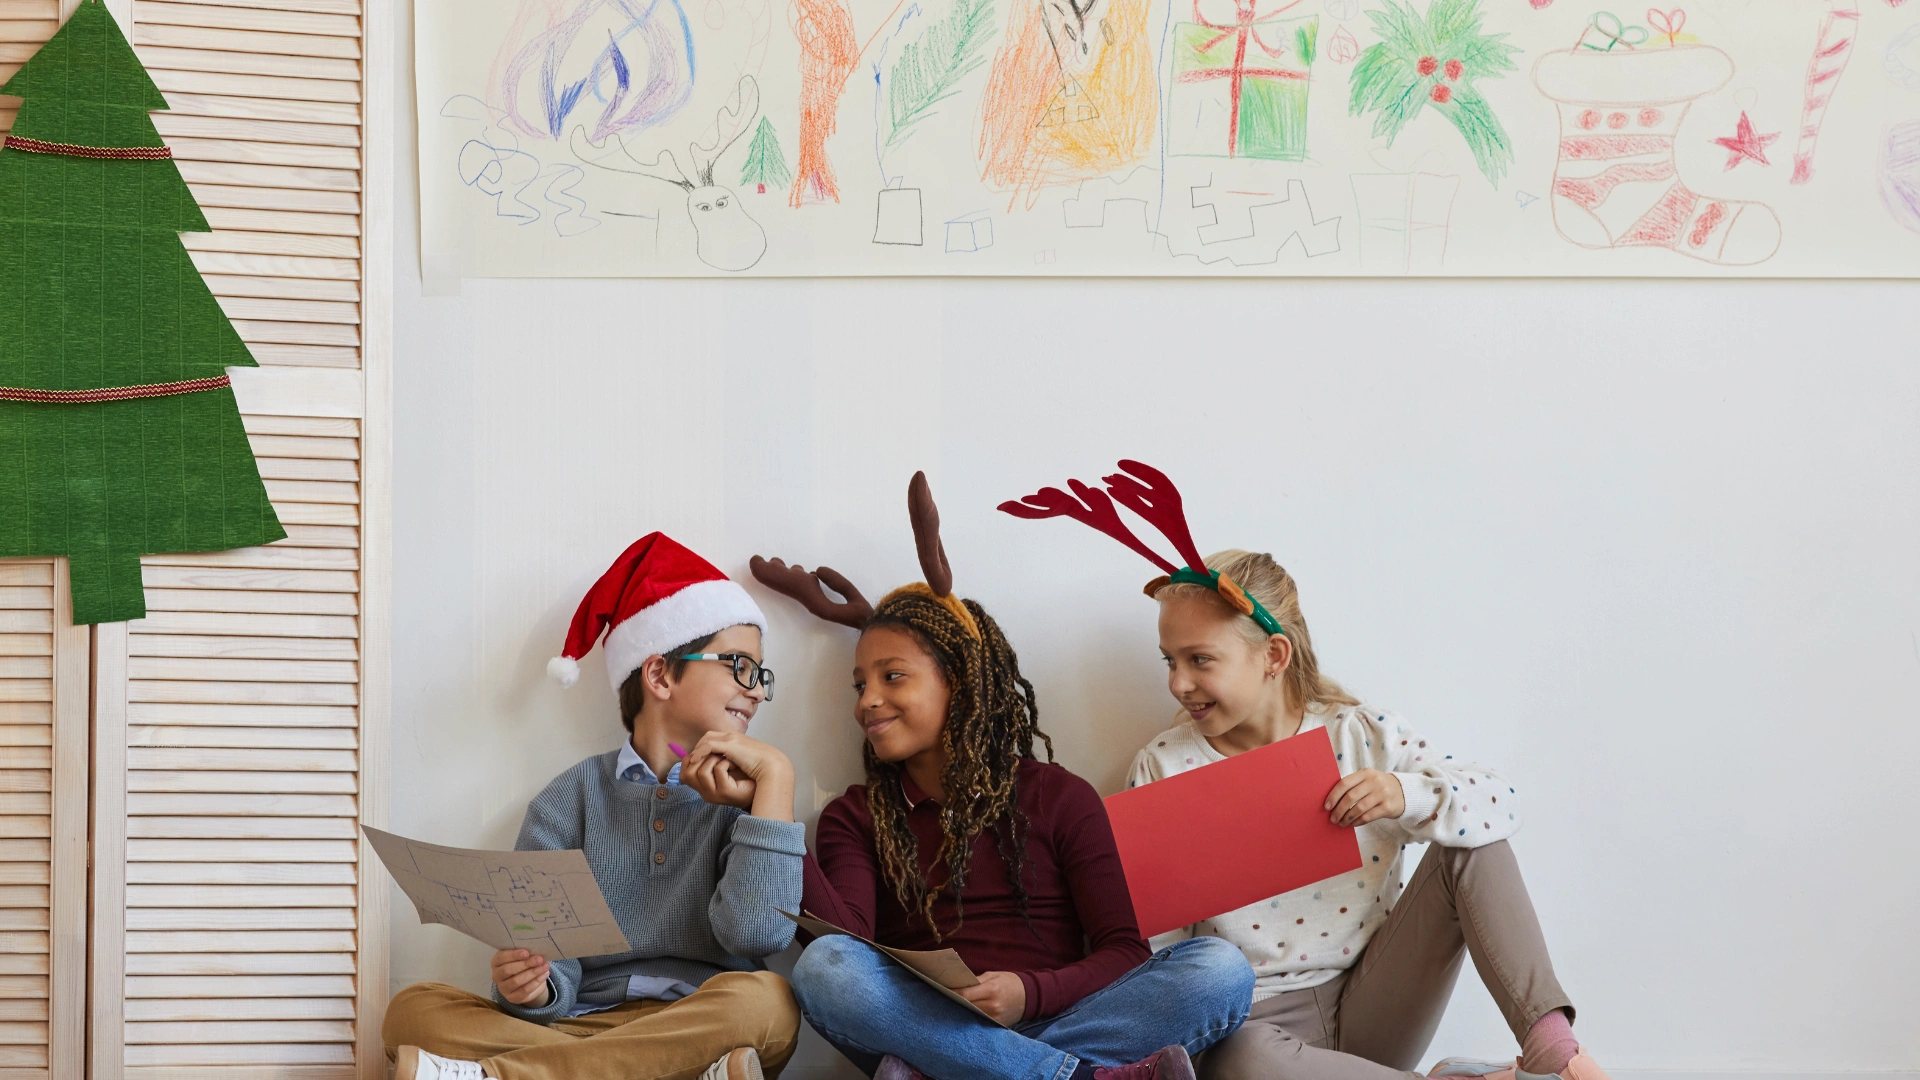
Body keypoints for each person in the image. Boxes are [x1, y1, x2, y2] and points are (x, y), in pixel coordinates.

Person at [1002, 461, 1613, 1080]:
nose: (1178, 683)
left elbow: (1501, 802)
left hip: (1377, 1001)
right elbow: (1156, 955)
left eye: (1200, 660)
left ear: (1273, 655)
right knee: (1243, 1059)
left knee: (1470, 848)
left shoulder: (1361, 735)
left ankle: (1554, 1052)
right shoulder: (1164, 765)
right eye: (1169, 661)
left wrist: (1404, 794)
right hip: (1256, 1032)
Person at [709, 473, 1252, 1080]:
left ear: (960, 682)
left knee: (1220, 970)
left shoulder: (1057, 795)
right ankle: (1073, 1077)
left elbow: (1124, 952)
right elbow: (846, 948)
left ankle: (975, 1071)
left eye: (893, 677)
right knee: (824, 969)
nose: (867, 701)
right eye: (860, 684)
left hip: (1056, 1017)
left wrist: (1029, 993)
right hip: (934, 1026)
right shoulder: (856, 816)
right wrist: (773, 805)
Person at [383, 534, 806, 1080]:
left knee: (770, 1002)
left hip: (698, 1019)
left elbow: (758, 936)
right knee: (411, 1011)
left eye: (760, 674)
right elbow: (541, 957)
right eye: (740, 667)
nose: (757, 691)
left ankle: (511, 1076)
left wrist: (777, 779)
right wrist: (532, 988)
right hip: (583, 1024)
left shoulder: (751, 798)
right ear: (659, 675)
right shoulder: (569, 798)